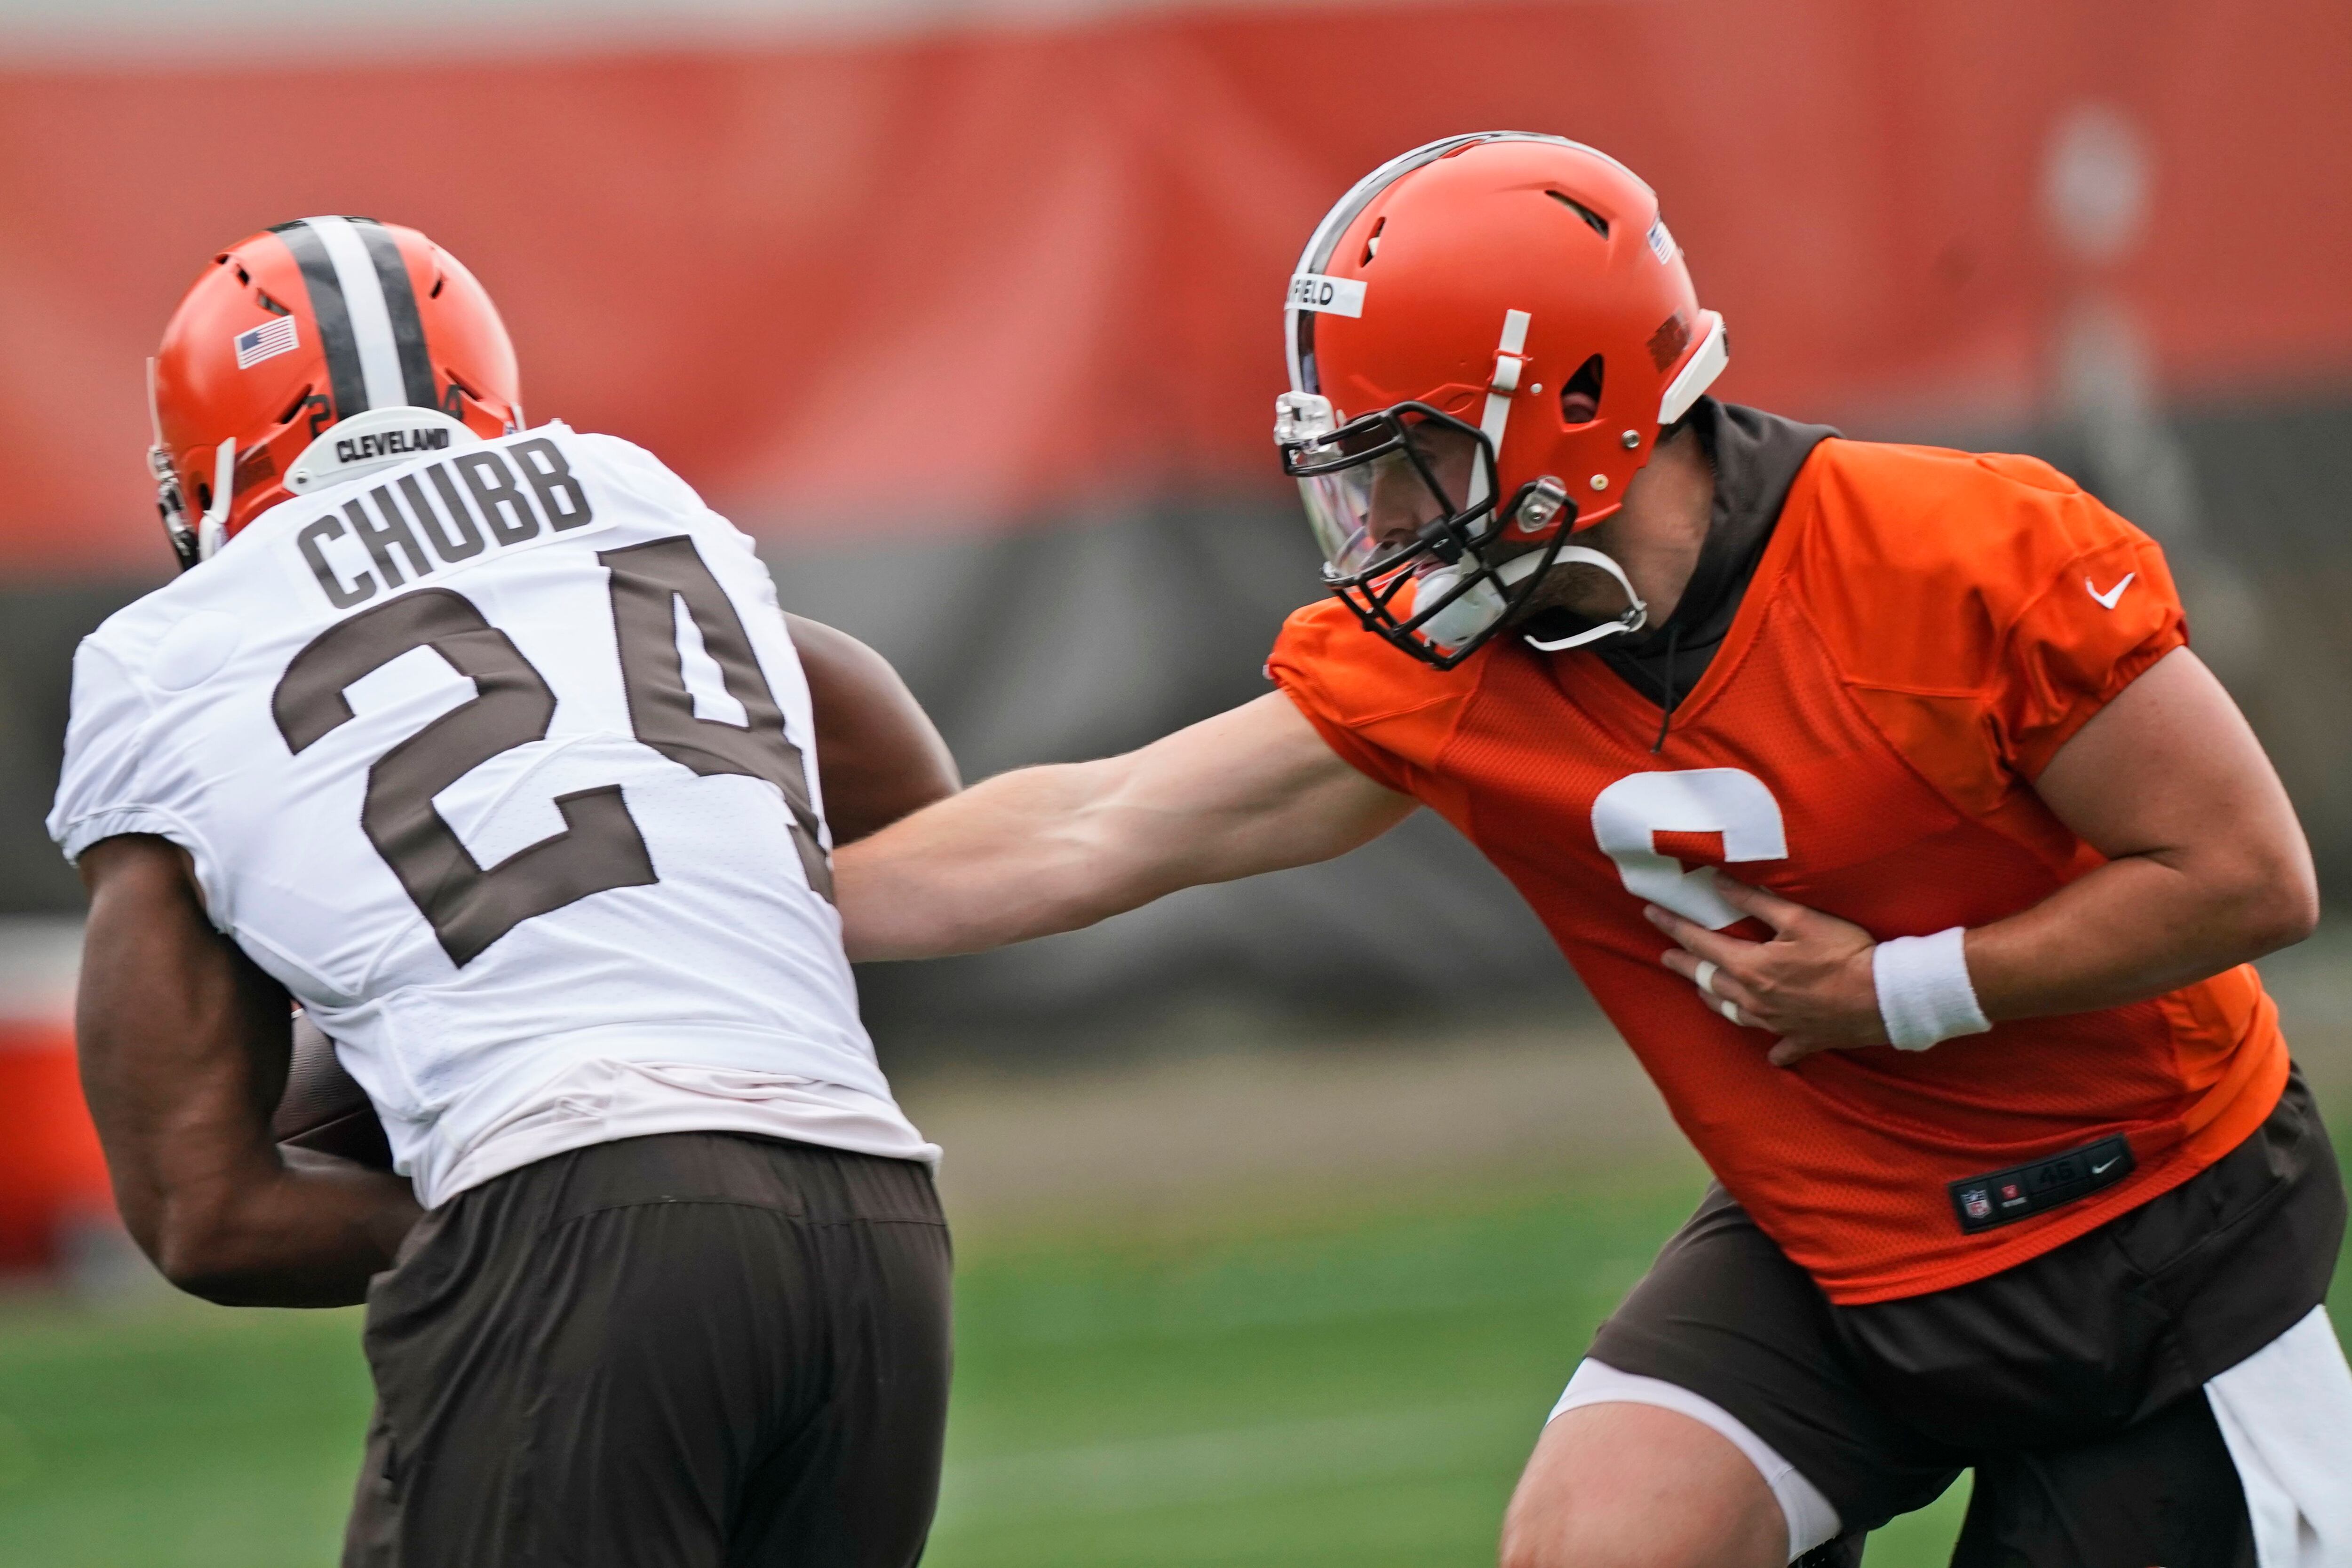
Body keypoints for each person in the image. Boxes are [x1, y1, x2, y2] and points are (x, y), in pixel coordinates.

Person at [834, 135, 2352, 1565]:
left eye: (1415, 454)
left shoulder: (1955, 557)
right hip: (1833, 1241)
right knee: (1599, 1540)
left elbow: (2245, 874)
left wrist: (1900, 991)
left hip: (2146, 1245)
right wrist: (750, 897)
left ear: (1567, 407)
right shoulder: (1459, 658)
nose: (1377, 512)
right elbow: (1100, 825)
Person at [51, 217, 962, 1568]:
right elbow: (903, 783)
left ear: (211, 464)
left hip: (577, 1232)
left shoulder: (167, 656)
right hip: (877, 1223)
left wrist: (496, 1195)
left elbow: (205, 1215)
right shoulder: (634, 494)